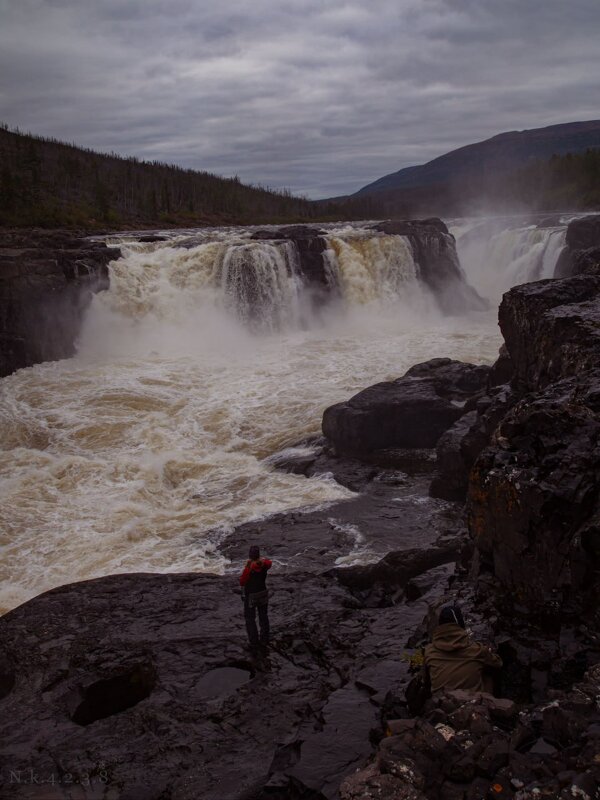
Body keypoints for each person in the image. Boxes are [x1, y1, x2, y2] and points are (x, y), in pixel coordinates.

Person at [424, 605, 502, 694]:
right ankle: (491, 701)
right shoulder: (478, 650)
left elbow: (425, 680)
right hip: (471, 703)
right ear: (461, 626)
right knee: (488, 671)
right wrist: (489, 652)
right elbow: (498, 663)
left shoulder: (428, 651)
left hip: (441, 704)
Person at [239, 545, 272, 647]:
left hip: (251, 596)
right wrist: (260, 560)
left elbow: (242, 581)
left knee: (250, 619)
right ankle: (265, 638)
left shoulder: (249, 569)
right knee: (263, 616)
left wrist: (249, 565)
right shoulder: (265, 564)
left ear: (250, 555)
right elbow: (269, 562)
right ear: (258, 555)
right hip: (263, 593)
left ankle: (254, 641)